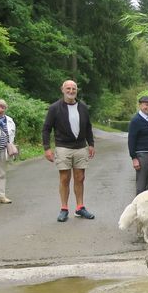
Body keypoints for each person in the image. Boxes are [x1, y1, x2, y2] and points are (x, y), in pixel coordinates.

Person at [42, 79, 96, 222]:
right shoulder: (55, 108)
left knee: (80, 178)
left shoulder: (83, 107)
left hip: (80, 147)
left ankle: (80, 207)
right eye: (68, 88)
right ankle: (64, 208)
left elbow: (88, 127)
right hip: (63, 147)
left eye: (74, 89)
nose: (71, 91)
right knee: (64, 179)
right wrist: (47, 148)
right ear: (62, 90)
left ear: (76, 91)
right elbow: (46, 129)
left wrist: (91, 144)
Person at [127, 95, 148, 195]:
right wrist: (134, 158)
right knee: (141, 186)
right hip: (143, 156)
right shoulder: (135, 121)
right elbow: (131, 140)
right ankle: (138, 208)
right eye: (146, 105)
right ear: (140, 105)